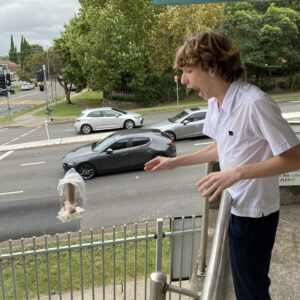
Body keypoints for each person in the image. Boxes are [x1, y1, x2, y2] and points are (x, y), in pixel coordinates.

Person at [144, 31, 300, 300]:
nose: (184, 80)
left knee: (251, 291)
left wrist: (236, 173)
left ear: (212, 69)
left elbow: (294, 157)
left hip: (255, 214)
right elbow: (220, 147)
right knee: (245, 286)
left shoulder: (254, 103)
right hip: (236, 205)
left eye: (189, 71)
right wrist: (175, 162)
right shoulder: (216, 103)